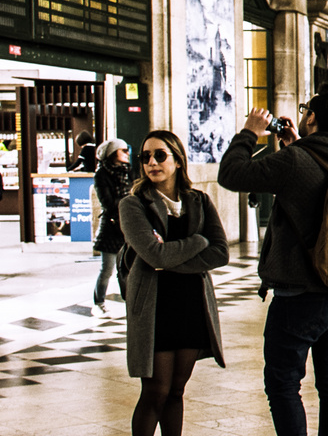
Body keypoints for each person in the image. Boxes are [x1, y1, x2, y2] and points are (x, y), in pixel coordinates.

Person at [217, 84, 328, 436]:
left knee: (283, 384)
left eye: (305, 108)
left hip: (301, 292)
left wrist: (249, 132)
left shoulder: (296, 160)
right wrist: (297, 144)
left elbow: (230, 174)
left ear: (312, 117)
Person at [121, 130, 229, 436]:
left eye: (159, 155)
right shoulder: (133, 205)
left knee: (177, 391)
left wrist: (168, 259)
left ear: (178, 160)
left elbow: (220, 253)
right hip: (155, 308)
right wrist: (198, 240)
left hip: (191, 304)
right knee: (155, 391)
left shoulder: (199, 201)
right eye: (145, 157)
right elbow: (154, 255)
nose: (152, 162)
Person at [93, 138, 133, 316]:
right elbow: (108, 202)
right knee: (107, 269)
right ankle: (98, 302)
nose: (127, 153)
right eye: (123, 150)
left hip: (128, 225)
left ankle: (131, 300)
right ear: (112, 153)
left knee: (128, 268)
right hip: (111, 227)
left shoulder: (129, 171)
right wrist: (128, 199)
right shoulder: (102, 174)